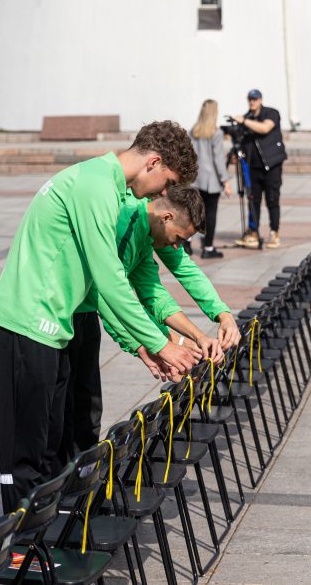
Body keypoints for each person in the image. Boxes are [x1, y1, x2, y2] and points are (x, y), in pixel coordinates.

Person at [0, 120, 201, 512]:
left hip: (52, 325)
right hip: (24, 322)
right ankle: (18, 554)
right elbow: (110, 278)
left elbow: (108, 284)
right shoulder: (94, 186)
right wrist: (161, 344)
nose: (165, 194)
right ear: (153, 162)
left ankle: (47, 536)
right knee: (25, 454)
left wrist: (140, 344)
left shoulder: (110, 189)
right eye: (167, 182)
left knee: (52, 443)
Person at [62, 184, 243, 458]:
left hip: (83, 315)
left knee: (86, 412)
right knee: (61, 415)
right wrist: (157, 344)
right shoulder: (128, 222)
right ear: (167, 216)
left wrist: (209, 326)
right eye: (179, 238)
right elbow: (111, 297)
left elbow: (154, 292)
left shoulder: (149, 233)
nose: (177, 246)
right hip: (62, 316)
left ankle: (79, 489)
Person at [232, 89, 287, 249]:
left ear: (261, 99)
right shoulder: (247, 117)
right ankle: (253, 232)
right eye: (250, 99)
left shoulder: (271, 113)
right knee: (253, 201)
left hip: (272, 166)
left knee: (272, 200)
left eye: (255, 99)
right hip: (253, 167)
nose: (252, 102)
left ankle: (274, 232)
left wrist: (244, 121)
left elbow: (264, 128)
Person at [190, 99, 232, 258]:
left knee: (194, 213)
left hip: (195, 178)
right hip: (211, 180)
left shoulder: (193, 131)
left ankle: (187, 243)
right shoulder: (216, 133)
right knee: (210, 213)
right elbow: (218, 159)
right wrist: (226, 181)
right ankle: (208, 248)